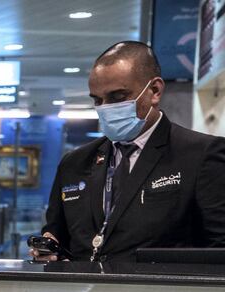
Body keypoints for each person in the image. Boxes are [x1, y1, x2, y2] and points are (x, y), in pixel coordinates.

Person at [33, 41, 225, 262]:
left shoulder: (201, 154)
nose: (105, 108)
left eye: (117, 97)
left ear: (155, 91)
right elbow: (57, 235)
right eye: (97, 100)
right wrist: (49, 249)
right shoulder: (74, 163)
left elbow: (219, 250)